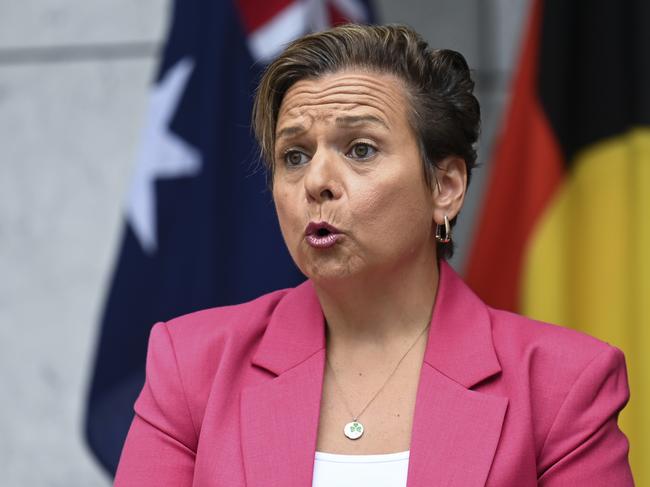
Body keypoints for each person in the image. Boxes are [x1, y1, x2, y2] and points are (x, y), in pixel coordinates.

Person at [114, 24, 633, 486]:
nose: (316, 181)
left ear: (446, 187)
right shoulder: (194, 366)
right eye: (294, 156)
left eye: (360, 149)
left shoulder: (563, 383)